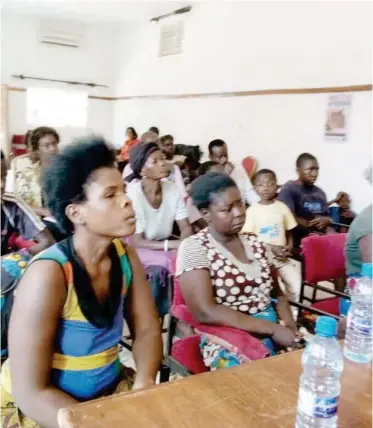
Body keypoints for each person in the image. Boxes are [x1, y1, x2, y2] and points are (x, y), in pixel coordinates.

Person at [1, 138, 163, 427]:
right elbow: (31, 393)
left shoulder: (125, 257)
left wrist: (144, 382)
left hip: (105, 392)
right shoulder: (50, 274)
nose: (127, 201)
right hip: (50, 410)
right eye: (110, 194)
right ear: (76, 213)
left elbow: (148, 329)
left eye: (124, 191)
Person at [176, 172, 302, 369]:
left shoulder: (256, 242)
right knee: (257, 382)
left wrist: (291, 330)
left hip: (273, 327)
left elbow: (278, 295)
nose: (239, 213)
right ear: (206, 213)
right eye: (227, 209)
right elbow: (205, 312)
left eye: (240, 204)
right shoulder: (195, 247)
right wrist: (272, 329)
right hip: (229, 336)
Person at [242, 169, 301, 310]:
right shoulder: (251, 211)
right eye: (261, 185)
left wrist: (289, 245)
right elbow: (246, 239)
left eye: (270, 184)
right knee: (274, 289)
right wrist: (270, 247)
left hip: (282, 258)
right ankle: (277, 315)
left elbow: (289, 231)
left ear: (277, 186)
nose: (266, 188)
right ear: (255, 188)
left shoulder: (282, 208)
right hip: (262, 260)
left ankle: (293, 315)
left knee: (295, 285)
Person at [127, 142, 193, 251]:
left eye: (163, 158)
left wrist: (183, 245)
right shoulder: (133, 196)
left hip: (167, 244)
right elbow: (137, 242)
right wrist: (173, 245)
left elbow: (185, 227)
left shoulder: (172, 189)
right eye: (155, 161)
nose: (162, 163)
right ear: (142, 170)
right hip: (142, 251)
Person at [278, 153, 338, 251]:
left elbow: (327, 217)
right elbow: (287, 217)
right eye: (310, 169)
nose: (314, 174)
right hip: (298, 242)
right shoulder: (289, 189)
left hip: (320, 239)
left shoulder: (320, 192)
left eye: (316, 170)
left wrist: (327, 220)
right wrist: (310, 224)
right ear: (298, 170)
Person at [1, 150, 54, 256]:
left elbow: (48, 242)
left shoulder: (12, 205)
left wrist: (14, 260)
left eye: (3, 177)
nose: (2, 185)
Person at [10, 126, 59, 218]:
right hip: (32, 218)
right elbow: (16, 200)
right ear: (36, 149)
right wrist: (42, 211)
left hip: (58, 217)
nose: (53, 148)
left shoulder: (65, 166)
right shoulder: (23, 167)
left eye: (54, 143)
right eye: (47, 145)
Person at [208, 139, 259, 205]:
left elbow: (249, 192)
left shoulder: (236, 167)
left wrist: (259, 208)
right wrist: (225, 175)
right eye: (219, 157)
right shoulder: (207, 172)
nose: (225, 160)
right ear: (210, 157)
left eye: (226, 155)